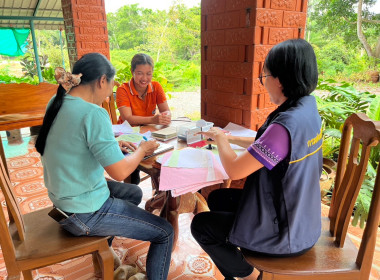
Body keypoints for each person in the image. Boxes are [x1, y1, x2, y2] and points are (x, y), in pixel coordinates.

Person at [191, 39, 322, 280]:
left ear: (279, 80)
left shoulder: (285, 125)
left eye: (264, 77)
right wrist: (230, 139)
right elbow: (268, 147)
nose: (264, 83)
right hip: (302, 217)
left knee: (201, 226)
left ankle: (251, 276)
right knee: (220, 197)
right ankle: (242, 251)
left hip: (286, 234)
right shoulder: (306, 110)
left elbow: (234, 170)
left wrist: (219, 137)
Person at [35, 53, 174, 280]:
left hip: (62, 201)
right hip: (83, 212)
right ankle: (105, 247)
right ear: (102, 80)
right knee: (165, 232)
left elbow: (75, 141)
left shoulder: (57, 102)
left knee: (133, 192)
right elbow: (119, 173)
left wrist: (114, 143)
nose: (110, 93)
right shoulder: (94, 113)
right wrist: (142, 150)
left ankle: (104, 252)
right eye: (110, 85)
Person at [116, 53, 171, 126]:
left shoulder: (156, 87)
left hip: (148, 131)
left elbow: (166, 111)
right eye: (140, 73)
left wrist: (166, 116)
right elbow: (127, 118)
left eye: (148, 74)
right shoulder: (123, 90)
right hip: (126, 132)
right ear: (132, 72)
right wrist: (152, 120)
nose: (144, 78)